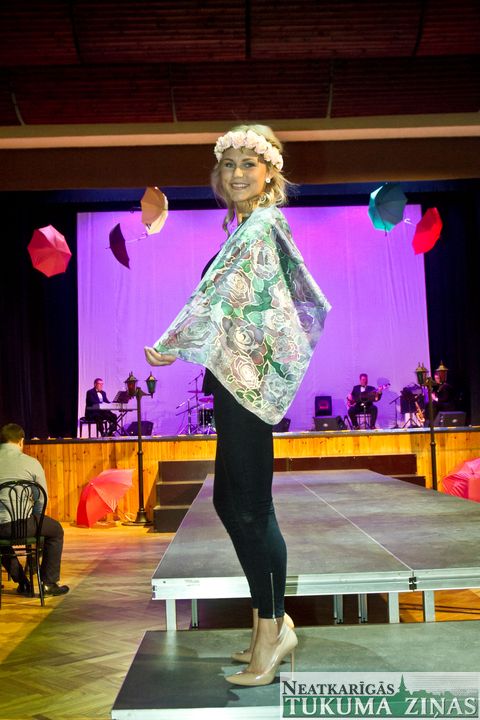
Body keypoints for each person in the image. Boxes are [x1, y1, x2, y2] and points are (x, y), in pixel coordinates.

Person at [144, 124, 331, 686]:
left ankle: (273, 632)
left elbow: (219, 292)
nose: (237, 173)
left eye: (250, 163)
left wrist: (173, 342)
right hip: (232, 383)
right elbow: (226, 300)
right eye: (229, 165)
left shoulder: (264, 225)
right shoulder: (246, 228)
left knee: (251, 507)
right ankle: (267, 624)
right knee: (231, 501)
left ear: (270, 173)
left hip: (247, 386)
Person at [0, 423, 69, 596]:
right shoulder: (32, 463)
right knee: (56, 530)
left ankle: (22, 582)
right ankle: (48, 583)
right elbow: (41, 498)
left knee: (2, 541)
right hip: (26, 524)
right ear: (21, 441)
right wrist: (36, 522)